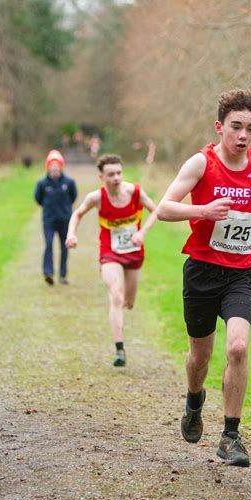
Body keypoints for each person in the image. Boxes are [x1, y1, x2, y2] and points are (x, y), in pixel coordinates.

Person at [157, 89, 251, 467]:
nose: (243, 136)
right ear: (220, 127)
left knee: (238, 347)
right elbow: (163, 208)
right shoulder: (201, 163)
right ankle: (194, 401)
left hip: (242, 273)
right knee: (200, 356)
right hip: (203, 271)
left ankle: (231, 435)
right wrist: (204, 210)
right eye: (236, 127)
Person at [65, 154, 157, 367]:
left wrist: (142, 232)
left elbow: (156, 211)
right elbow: (77, 214)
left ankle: (121, 316)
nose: (116, 177)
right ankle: (119, 349)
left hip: (134, 252)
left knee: (129, 302)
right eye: (110, 174)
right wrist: (71, 234)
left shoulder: (135, 192)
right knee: (115, 293)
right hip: (110, 253)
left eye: (118, 173)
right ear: (101, 176)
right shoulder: (96, 198)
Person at [34, 150, 77, 286]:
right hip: (49, 220)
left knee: (64, 247)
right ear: (48, 167)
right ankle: (48, 272)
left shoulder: (69, 182)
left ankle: (63, 275)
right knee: (48, 245)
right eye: (52, 165)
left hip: (65, 219)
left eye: (56, 165)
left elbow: (73, 196)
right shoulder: (42, 184)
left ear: (61, 166)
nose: (54, 168)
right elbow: (38, 198)